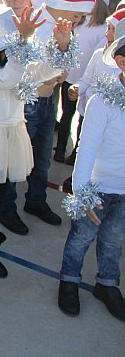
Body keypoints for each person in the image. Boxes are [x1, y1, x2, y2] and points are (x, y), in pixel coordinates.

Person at [0, 7, 75, 278]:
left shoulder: (17, 65)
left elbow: (43, 70)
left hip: (8, 140)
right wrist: (24, 40)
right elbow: (9, 77)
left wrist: (61, 45)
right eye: (8, 47)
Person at [1, 0, 95, 235]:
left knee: (42, 157)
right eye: (76, 15)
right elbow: (21, 64)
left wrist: (59, 73)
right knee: (16, 157)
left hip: (48, 99)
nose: (77, 21)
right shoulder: (36, 22)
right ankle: (6, 206)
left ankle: (36, 200)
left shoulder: (61, 25)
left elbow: (62, 62)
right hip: (27, 101)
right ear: (64, 5)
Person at [57, 35, 125, 322]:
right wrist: (82, 194)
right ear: (121, 62)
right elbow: (85, 150)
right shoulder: (103, 101)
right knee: (81, 237)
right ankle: (69, 280)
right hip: (97, 189)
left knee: (114, 240)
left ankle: (107, 284)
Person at [54, 0, 111, 165]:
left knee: (82, 119)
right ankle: (60, 149)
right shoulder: (77, 22)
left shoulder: (103, 28)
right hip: (71, 76)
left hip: (87, 80)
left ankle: (75, 154)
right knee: (66, 114)